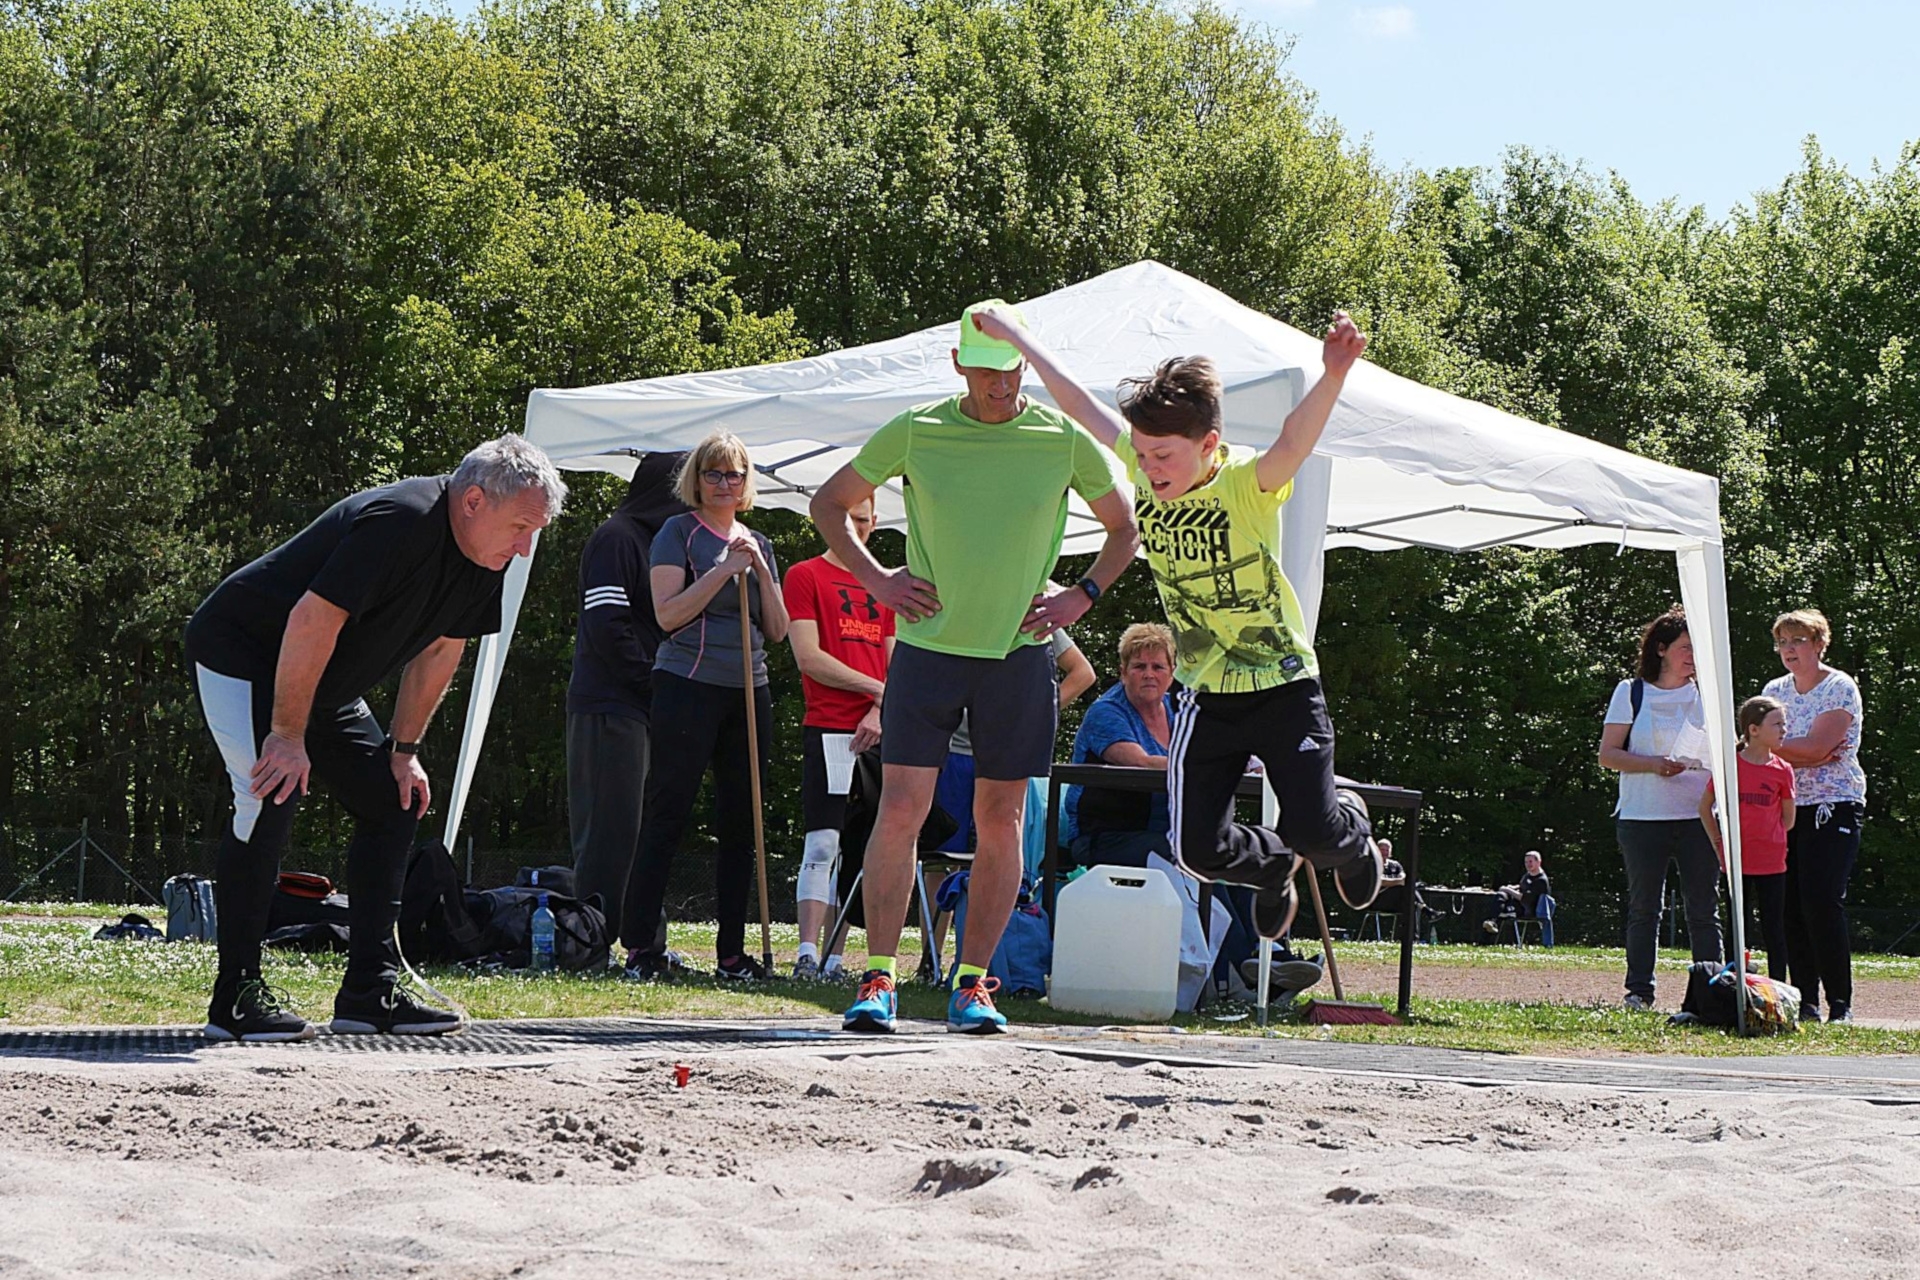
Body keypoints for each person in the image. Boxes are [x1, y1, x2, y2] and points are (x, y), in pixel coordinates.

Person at [973, 306, 1393, 953]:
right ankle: (1272, 864)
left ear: (1208, 444)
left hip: (1283, 686)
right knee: (1196, 850)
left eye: (1164, 457)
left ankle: (1354, 838)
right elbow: (1082, 405)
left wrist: (1333, 373)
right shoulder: (1145, 470)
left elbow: (1294, 442)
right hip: (1207, 695)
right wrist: (1017, 338)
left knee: (1316, 829)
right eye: (1141, 456)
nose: (1150, 470)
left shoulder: (1246, 485)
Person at [810, 299, 1139, 1035]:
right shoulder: (919, 428)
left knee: (1004, 821)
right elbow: (829, 505)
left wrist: (1080, 598)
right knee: (901, 812)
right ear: (959, 364)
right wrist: (878, 581)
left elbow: (1125, 528)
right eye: (985, 370)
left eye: (1010, 369)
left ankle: (972, 983)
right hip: (927, 651)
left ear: (1025, 362)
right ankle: (877, 979)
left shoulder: (1062, 437)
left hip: (1018, 657)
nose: (1000, 384)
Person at [184, 434, 565, 1041]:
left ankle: (370, 991)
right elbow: (312, 620)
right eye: (520, 527)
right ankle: (236, 996)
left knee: (393, 801)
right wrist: (285, 735)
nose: (525, 549)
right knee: (270, 795)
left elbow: (443, 649)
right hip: (247, 654)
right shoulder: (401, 520)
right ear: (472, 502)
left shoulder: (487, 558)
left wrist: (403, 751)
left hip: (321, 681)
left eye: (533, 533)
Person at [620, 432, 790, 982]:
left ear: (746, 484)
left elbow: (779, 631)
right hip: (686, 685)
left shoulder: (758, 541)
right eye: (714, 474)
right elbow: (666, 615)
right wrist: (721, 571)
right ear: (697, 480)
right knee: (668, 811)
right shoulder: (678, 532)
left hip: (748, 689)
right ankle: (641, 946)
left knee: (744, 820)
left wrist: (760, 570)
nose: (724, 484)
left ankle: (733, 954)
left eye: (734, 475)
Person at [566, 450, 687, 958]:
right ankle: (592, 939)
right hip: (610, 704)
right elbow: (607, 624)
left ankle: (643, 942)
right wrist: (654, 681)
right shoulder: (616, 538)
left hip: (648, 704)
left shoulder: (667, 544)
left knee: (644, 829)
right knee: (609, 829)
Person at [784, 495, 894, 981]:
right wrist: (876, 690)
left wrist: (879, 708)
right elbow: (809, 657)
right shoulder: (805, 576)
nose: (858, 530)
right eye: (849, 521)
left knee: (864, 843)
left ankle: (835, 957)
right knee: (823, 840)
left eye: (866, 522)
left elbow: (896, 663)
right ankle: (806, 951)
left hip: (879, 730)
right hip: (830, 724)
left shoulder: (887, 586)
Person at [1598, 606, 1724, 1010]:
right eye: (1686, 648)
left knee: (1704, 908)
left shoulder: (1711, 693)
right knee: (1644, 908)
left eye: (1697, 649)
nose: (1693, 656)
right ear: (1661, 649)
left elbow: (1728, 753)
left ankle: (1712, 991)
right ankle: (1639, 992)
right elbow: (1608, 755)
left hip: (1698, 817)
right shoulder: (1630, 691)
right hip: (1642, 817)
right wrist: (1654, 765)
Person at [1762, 609, 1865, 1023]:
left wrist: (1773, 748)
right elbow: (1797, 750)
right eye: (1783, 642)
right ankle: (1804, 1001)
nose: (1789, 650)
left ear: (1820, 643)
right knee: (1787, 906)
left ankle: (1840, 1003)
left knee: (1821, 901)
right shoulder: (1773, 690)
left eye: (1798, 640)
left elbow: (1816, 749)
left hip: (1833, 804)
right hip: (1783, 807)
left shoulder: (1839, 687)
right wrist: (1798, 750)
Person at [1061, 622, 1178, 868]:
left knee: (1232, 857)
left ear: (1172, 673)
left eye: (1158, 667)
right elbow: (1140, 762)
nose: (1149, 674)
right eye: (1139, 667)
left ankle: (1243, 908)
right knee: (1189, 858)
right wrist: (1206, 767)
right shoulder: (1106, 712)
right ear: (1123, 672)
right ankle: (1211, 909)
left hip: (1169, 834)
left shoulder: (1179, 712)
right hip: (1104, 837)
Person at [1699, 695, 1796, 983]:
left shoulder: (1782, 769)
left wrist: (1770, 835)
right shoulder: (1730, 766)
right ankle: (1734, 984)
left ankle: (1778, 987)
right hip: (1736, 861)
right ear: (1753, 729)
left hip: (1772, 862)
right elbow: (1705, 807)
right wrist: (1719, 841)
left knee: (1774, 927)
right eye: (1777, 723)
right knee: (1737, 928)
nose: (1784, 729)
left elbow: (1788, 819)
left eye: (1784, 723)